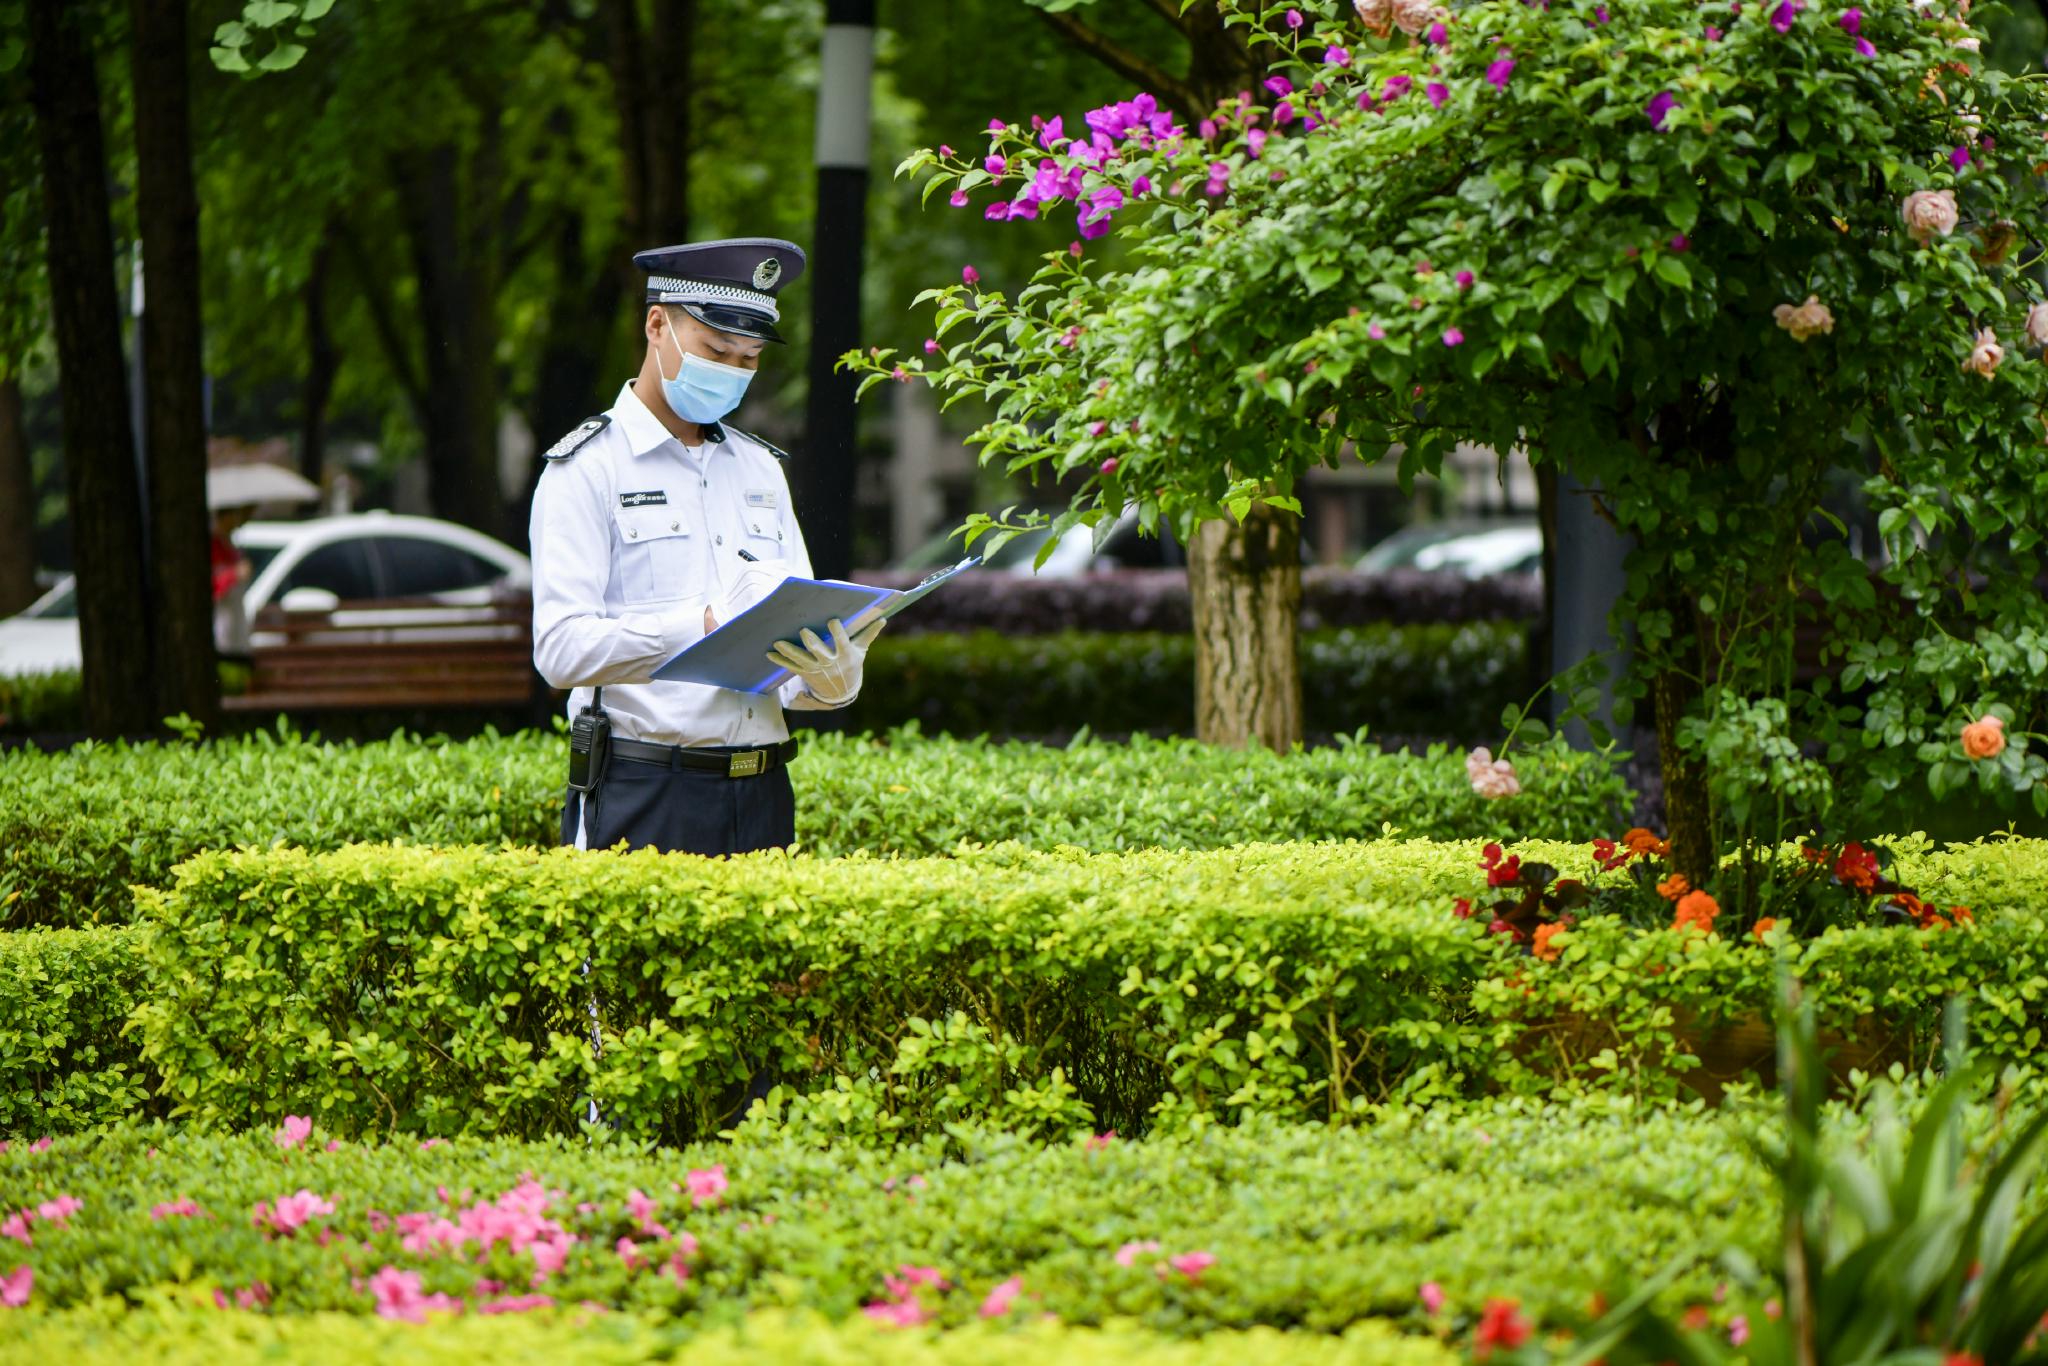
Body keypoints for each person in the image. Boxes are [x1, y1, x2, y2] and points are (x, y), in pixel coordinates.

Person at [528, 238, 883, 857]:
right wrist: (707, 628)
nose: (733, 370)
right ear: (656, 324)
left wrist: (833, 672)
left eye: (748, 359)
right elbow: (560, 651)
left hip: (766, 790)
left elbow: (795, 642)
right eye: (717, 350)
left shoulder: (759, 469)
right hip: (646, 790)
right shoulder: (587, 468)